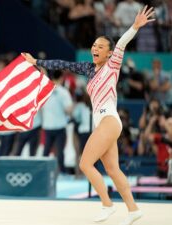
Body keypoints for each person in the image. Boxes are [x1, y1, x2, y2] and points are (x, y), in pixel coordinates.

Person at [22, 6, 155, 225]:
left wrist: (134, 26)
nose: (95, 48)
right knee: (112, 169)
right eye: (94, 45)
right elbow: (63, 64)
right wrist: (37, 62)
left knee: (85, 164)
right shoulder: (89, 69)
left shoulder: (113, 65)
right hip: (103, 122)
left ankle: (107, 205)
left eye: (101, 46)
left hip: (109, 121)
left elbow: (121, 43)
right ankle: (133, 210)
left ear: (109, 53)